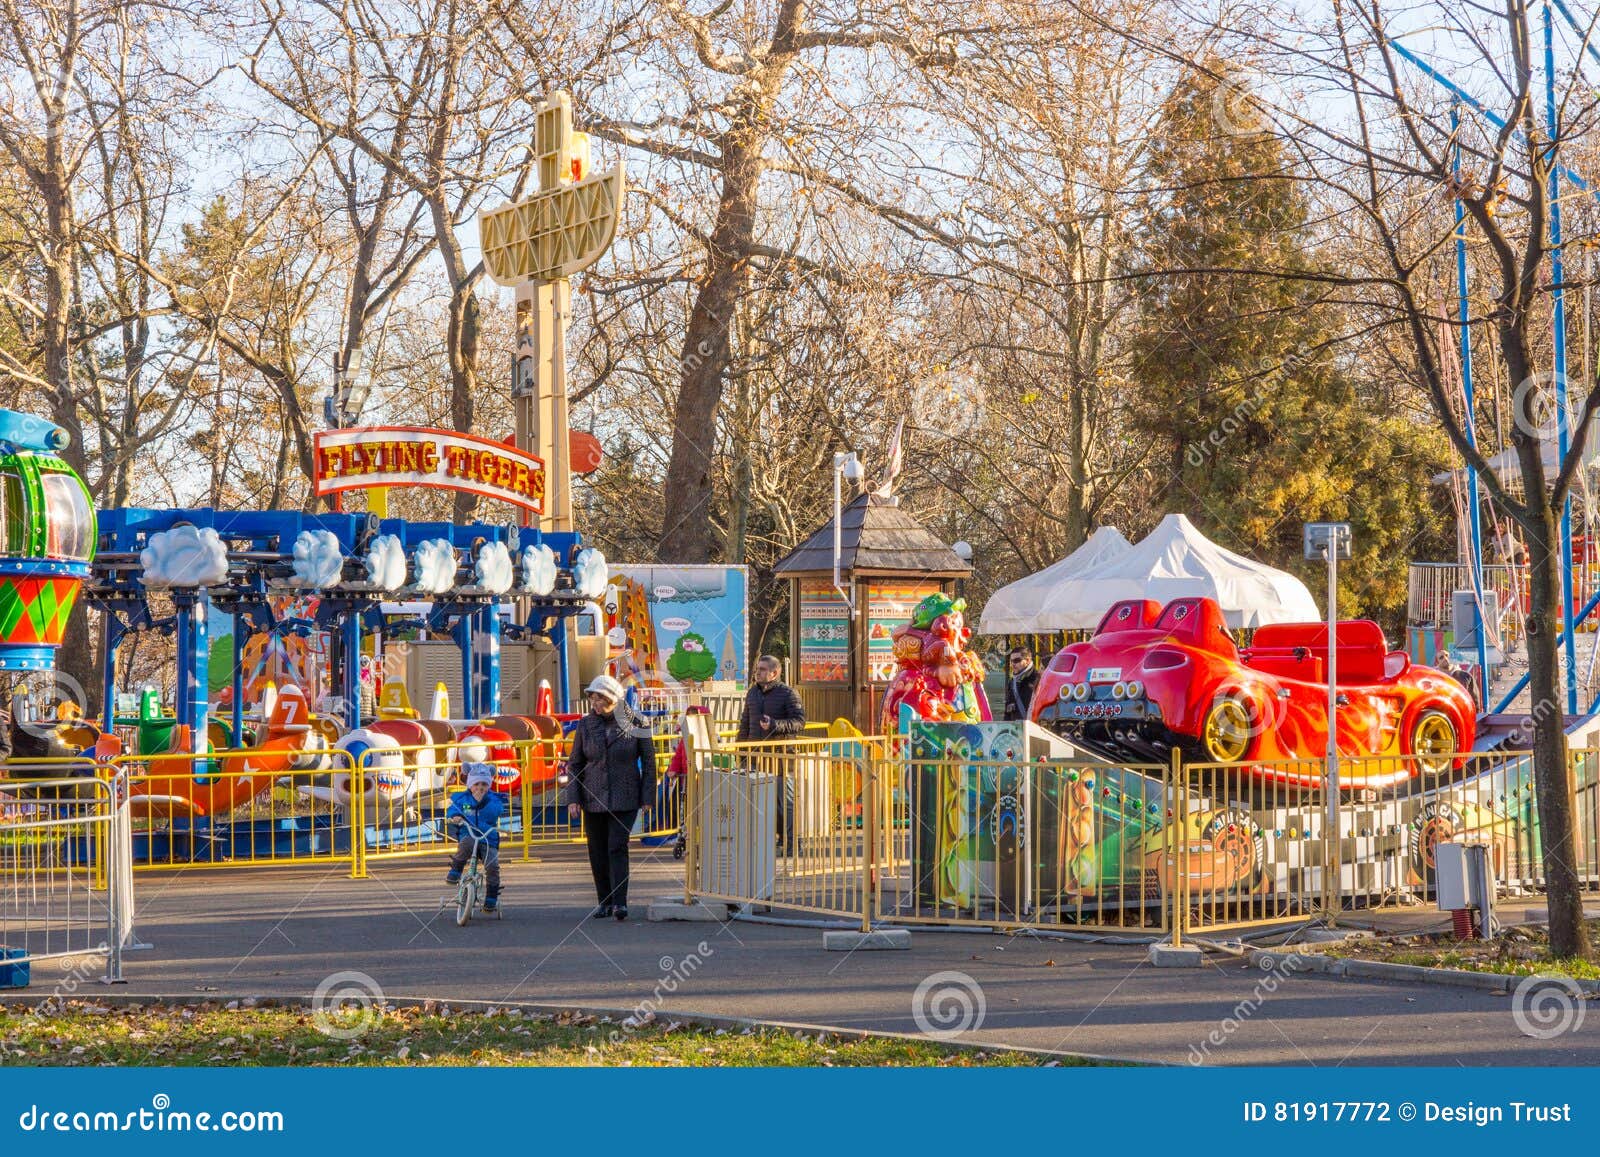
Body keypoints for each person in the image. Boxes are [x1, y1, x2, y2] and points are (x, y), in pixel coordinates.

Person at [564, 674, 655, 921]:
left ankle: (619, 903)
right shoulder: (585, 725)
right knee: (597, 849)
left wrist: (648, 796)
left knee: (616, 846)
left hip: (625, 795)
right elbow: (575, 764)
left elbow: (648, 762)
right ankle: (603, 901)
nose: (594, 704)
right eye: (592, 699)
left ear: (612, 699)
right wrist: (573, 798)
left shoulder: (638, 722)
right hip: (592, 795)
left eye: (598, 700)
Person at [445, 763, 504, 912]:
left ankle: (491, 896)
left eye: (484, 784)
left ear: (489, 785)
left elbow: (496, 811)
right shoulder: (463, 799)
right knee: (465, 844)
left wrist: (481, 802)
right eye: (476, 784)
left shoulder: (492, 799)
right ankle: (456, 869)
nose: (480, 788)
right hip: (469, 833)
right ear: (470, 785)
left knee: (492, 866)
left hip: (487, 837)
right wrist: (455, 816)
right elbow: (453, 809)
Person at [735, 655, 805, 743]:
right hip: (754, 752)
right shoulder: (752, 692)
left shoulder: (789, 693)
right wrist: (741, 751)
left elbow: (799, 722)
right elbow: (745, 724)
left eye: (762, 669)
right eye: (757, 669)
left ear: (774, 673)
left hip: (779, 752)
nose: (757, 672)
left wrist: (774, 724)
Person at [1003, 648, 1040, 721]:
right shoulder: (1012, 682)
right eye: (1011, 661)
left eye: (1017, 660)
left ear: (1027, 660)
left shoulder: (1037, 679)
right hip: (1015, 729)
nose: (1013, 664)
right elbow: (1007, 711)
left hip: (1034, 728)